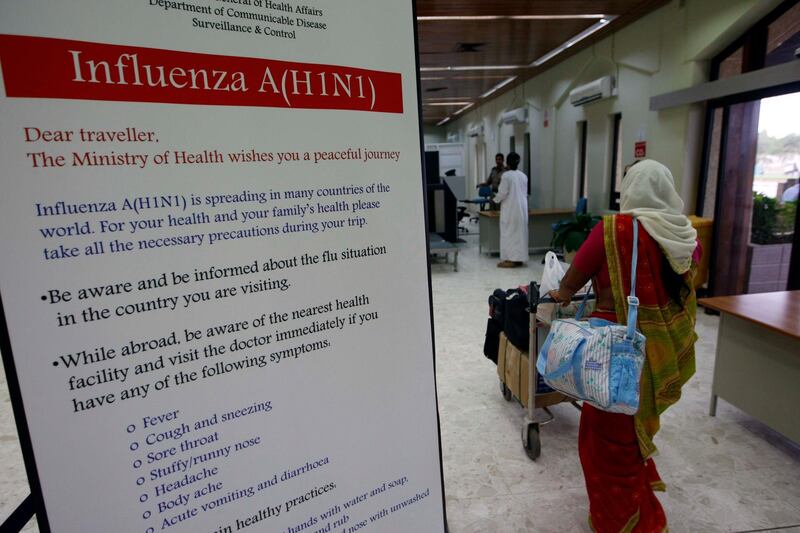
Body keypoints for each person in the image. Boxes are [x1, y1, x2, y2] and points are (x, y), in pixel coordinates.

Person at [548, 159, 700, 532]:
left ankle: (623, 521)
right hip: (656, 354)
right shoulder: (683, 235)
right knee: (632, 436)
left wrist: (560, 294)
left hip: (613, 354)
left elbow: (570, 283)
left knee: (607, 443)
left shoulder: (614, 230)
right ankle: (637, 507)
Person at [494, 152, 529, 268]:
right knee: (520, 234)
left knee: (509, 233)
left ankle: (510, 259)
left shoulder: (506, 176)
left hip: (511, 209)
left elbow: (502, 193)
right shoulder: (523, 176)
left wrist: (495, 200)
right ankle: (519, 258)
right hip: (522, 209)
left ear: (507, 163)